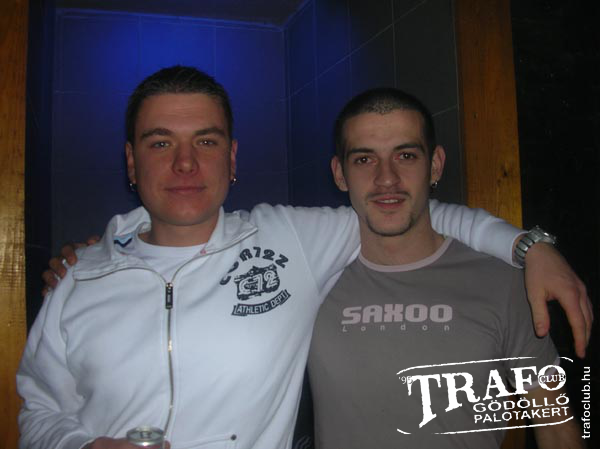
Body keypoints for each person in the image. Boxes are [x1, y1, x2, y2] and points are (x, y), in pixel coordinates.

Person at [23, 66, 590, 449]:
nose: (186, 164)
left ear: (233, 158)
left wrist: (529, 245)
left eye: (207, 141)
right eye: (161, 142)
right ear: (131, 161)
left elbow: (564, 411)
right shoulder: (82, 277)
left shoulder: (291, 242)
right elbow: (37, 411)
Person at [308, 87, 584, 448]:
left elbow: (556, 426)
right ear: (340, 173)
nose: (386, 178)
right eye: (364, 159)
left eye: (406, 155)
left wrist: (534, 247)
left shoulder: (502, 284)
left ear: (435, 165)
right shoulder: (311, 283)